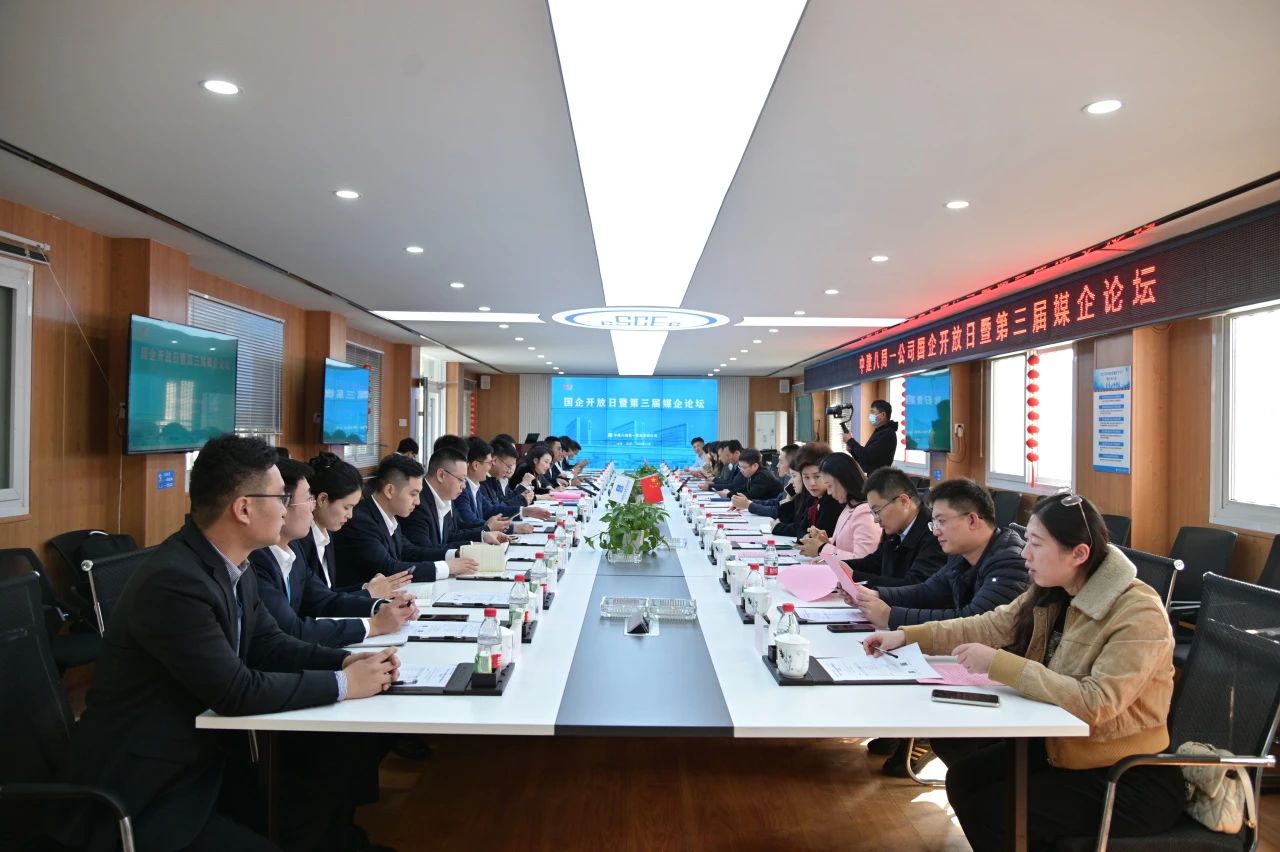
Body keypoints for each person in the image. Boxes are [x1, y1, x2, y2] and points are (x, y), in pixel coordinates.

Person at [54, 435, 400, 852]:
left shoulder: (234, 564)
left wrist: (345, 663)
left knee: (332, 761)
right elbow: (235, 690)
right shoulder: (175, 581)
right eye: (280, 497)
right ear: (244, 508)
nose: (289, 508)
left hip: (207, 757)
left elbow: (269, 643)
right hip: (150, 790)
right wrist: (344, 684)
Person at [865, 493, 1183, 851]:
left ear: (1078, 553)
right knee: (965, 780)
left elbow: (1098, 702)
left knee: (996, 810)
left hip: (1125, 774)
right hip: (1061, 750)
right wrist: (907, 635)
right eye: (1027, 541)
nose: (1025, 554)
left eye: (1036, 544)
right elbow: (989, 625)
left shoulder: (1138, 612)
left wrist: (999, 664)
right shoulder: (1056, 589)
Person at [250, 458, 418, 647]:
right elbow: (291, 629)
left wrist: (382, 607)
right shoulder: (258, 560)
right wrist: (374, 625)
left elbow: (323, 599)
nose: (312, 506)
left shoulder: (293, 549)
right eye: (308, 499)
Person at [855, 478, 1027, 630]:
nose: (936, 532)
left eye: (942, 522)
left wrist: (891, 617)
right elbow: (929, 591)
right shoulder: (960, 555)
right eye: (934, 523)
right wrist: (878, 595)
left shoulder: (1010, 563)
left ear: (972, 520)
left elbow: (974, 621)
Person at [332, 453, 479, 586]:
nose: (418, 502)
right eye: (413, 494)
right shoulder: (360, 521)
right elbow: (389, 568)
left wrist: (455, 554)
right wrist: (447, 567)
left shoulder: (389, 516)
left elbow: (410, 551)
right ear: (389, 491)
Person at [296, 451, 413, 598]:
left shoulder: (327, 534)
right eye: (346, 507)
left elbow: (329, 594)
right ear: (322, 500)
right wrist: (369, 593)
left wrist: (367, 588)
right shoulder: (301, 542)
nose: (350, 515)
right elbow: (315, 602)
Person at [843, 467, 946, 589]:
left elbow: (915, 585)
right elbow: (876, 562)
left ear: (904, 501)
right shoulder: (895, 528)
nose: (876, 519)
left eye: (877, 511)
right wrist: (840, 566)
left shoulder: (934, 533)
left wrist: (854, 576)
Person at [402, 446, 509, 552]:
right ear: (441, 475)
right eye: (461, 479)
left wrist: (482, 536)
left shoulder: (446, 497)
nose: (464, 486)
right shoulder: (417, 503)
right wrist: (470, 546)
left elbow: (450, 535)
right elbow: (424, 551)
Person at [797, 452, 881, 560]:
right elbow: (844, 547)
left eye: (830, 485)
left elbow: (862, 560)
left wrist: (822, 548)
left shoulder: (864, 513)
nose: (829, 492)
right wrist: (825, 542)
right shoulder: (849, 507)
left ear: (843, 481)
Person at [453, 437, 535, 534]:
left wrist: (524, 511)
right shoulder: (462, 490)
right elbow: (470, 522)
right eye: (489, 463)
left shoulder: (475, 486)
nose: (491, 467)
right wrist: (511, 528)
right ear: (475, 465)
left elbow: (490, 509)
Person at [771, 442, 841, 539]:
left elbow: (818, 536)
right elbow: (801, 528)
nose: (812, 483)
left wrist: (806, 536)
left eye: (817, 476)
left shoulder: (834, 501)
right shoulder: (813, 498)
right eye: (806, 477)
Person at [733, 444, 799, 517]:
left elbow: (778, 512)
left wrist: (749, 505)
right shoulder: (788, 479)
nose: (777, 465)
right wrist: (748, 503)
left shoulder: (763, 476)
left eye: (780, 462)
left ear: (792, 463)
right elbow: (776, 502)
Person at [844, 399, 897, 474]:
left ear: (883, 415)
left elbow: (867, 457)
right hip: (873, 476)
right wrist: (852, 451)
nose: (870, 415)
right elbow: (865, 459)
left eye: (873, 412)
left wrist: (851, 441)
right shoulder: (880, 431)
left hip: (879, 477)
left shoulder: (887, 433)